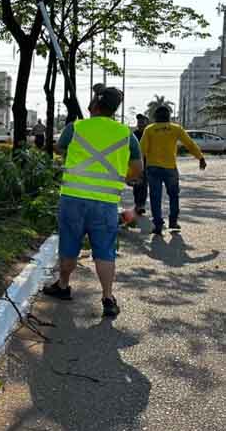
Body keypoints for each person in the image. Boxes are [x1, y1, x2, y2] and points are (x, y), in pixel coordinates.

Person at [43, 84, 143, 318]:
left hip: (73, 200)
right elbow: (138, 168)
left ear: (94, 105)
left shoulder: (75, 128)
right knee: (105, 251)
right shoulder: (126, 134)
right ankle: (108, 298)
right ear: (114, 109)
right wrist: (120, 177)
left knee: (69, 245)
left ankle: (63, 286)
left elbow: (60, 149)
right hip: (105, 203)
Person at [139, 105, 206, 235]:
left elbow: (142, 150)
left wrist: (139, 169)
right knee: (174, 195)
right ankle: (173, 222)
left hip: (153, 168)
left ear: (155, 117)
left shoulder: (149, 129)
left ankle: (158, 224)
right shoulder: (176, 128)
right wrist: (200, 157)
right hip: (170, 168)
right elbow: (189, 144)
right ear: (169, 116)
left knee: (155, 197)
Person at [132, 114, 150, 215]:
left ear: (146, 123)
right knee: (136, 185)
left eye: (142, 122)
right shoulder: (134, 134)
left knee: (143, 184)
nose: (140, 124)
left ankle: (141, 205)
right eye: (139, 122)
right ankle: (137, 204)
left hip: (147, 163)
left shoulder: (149, 134)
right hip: (135, 163)